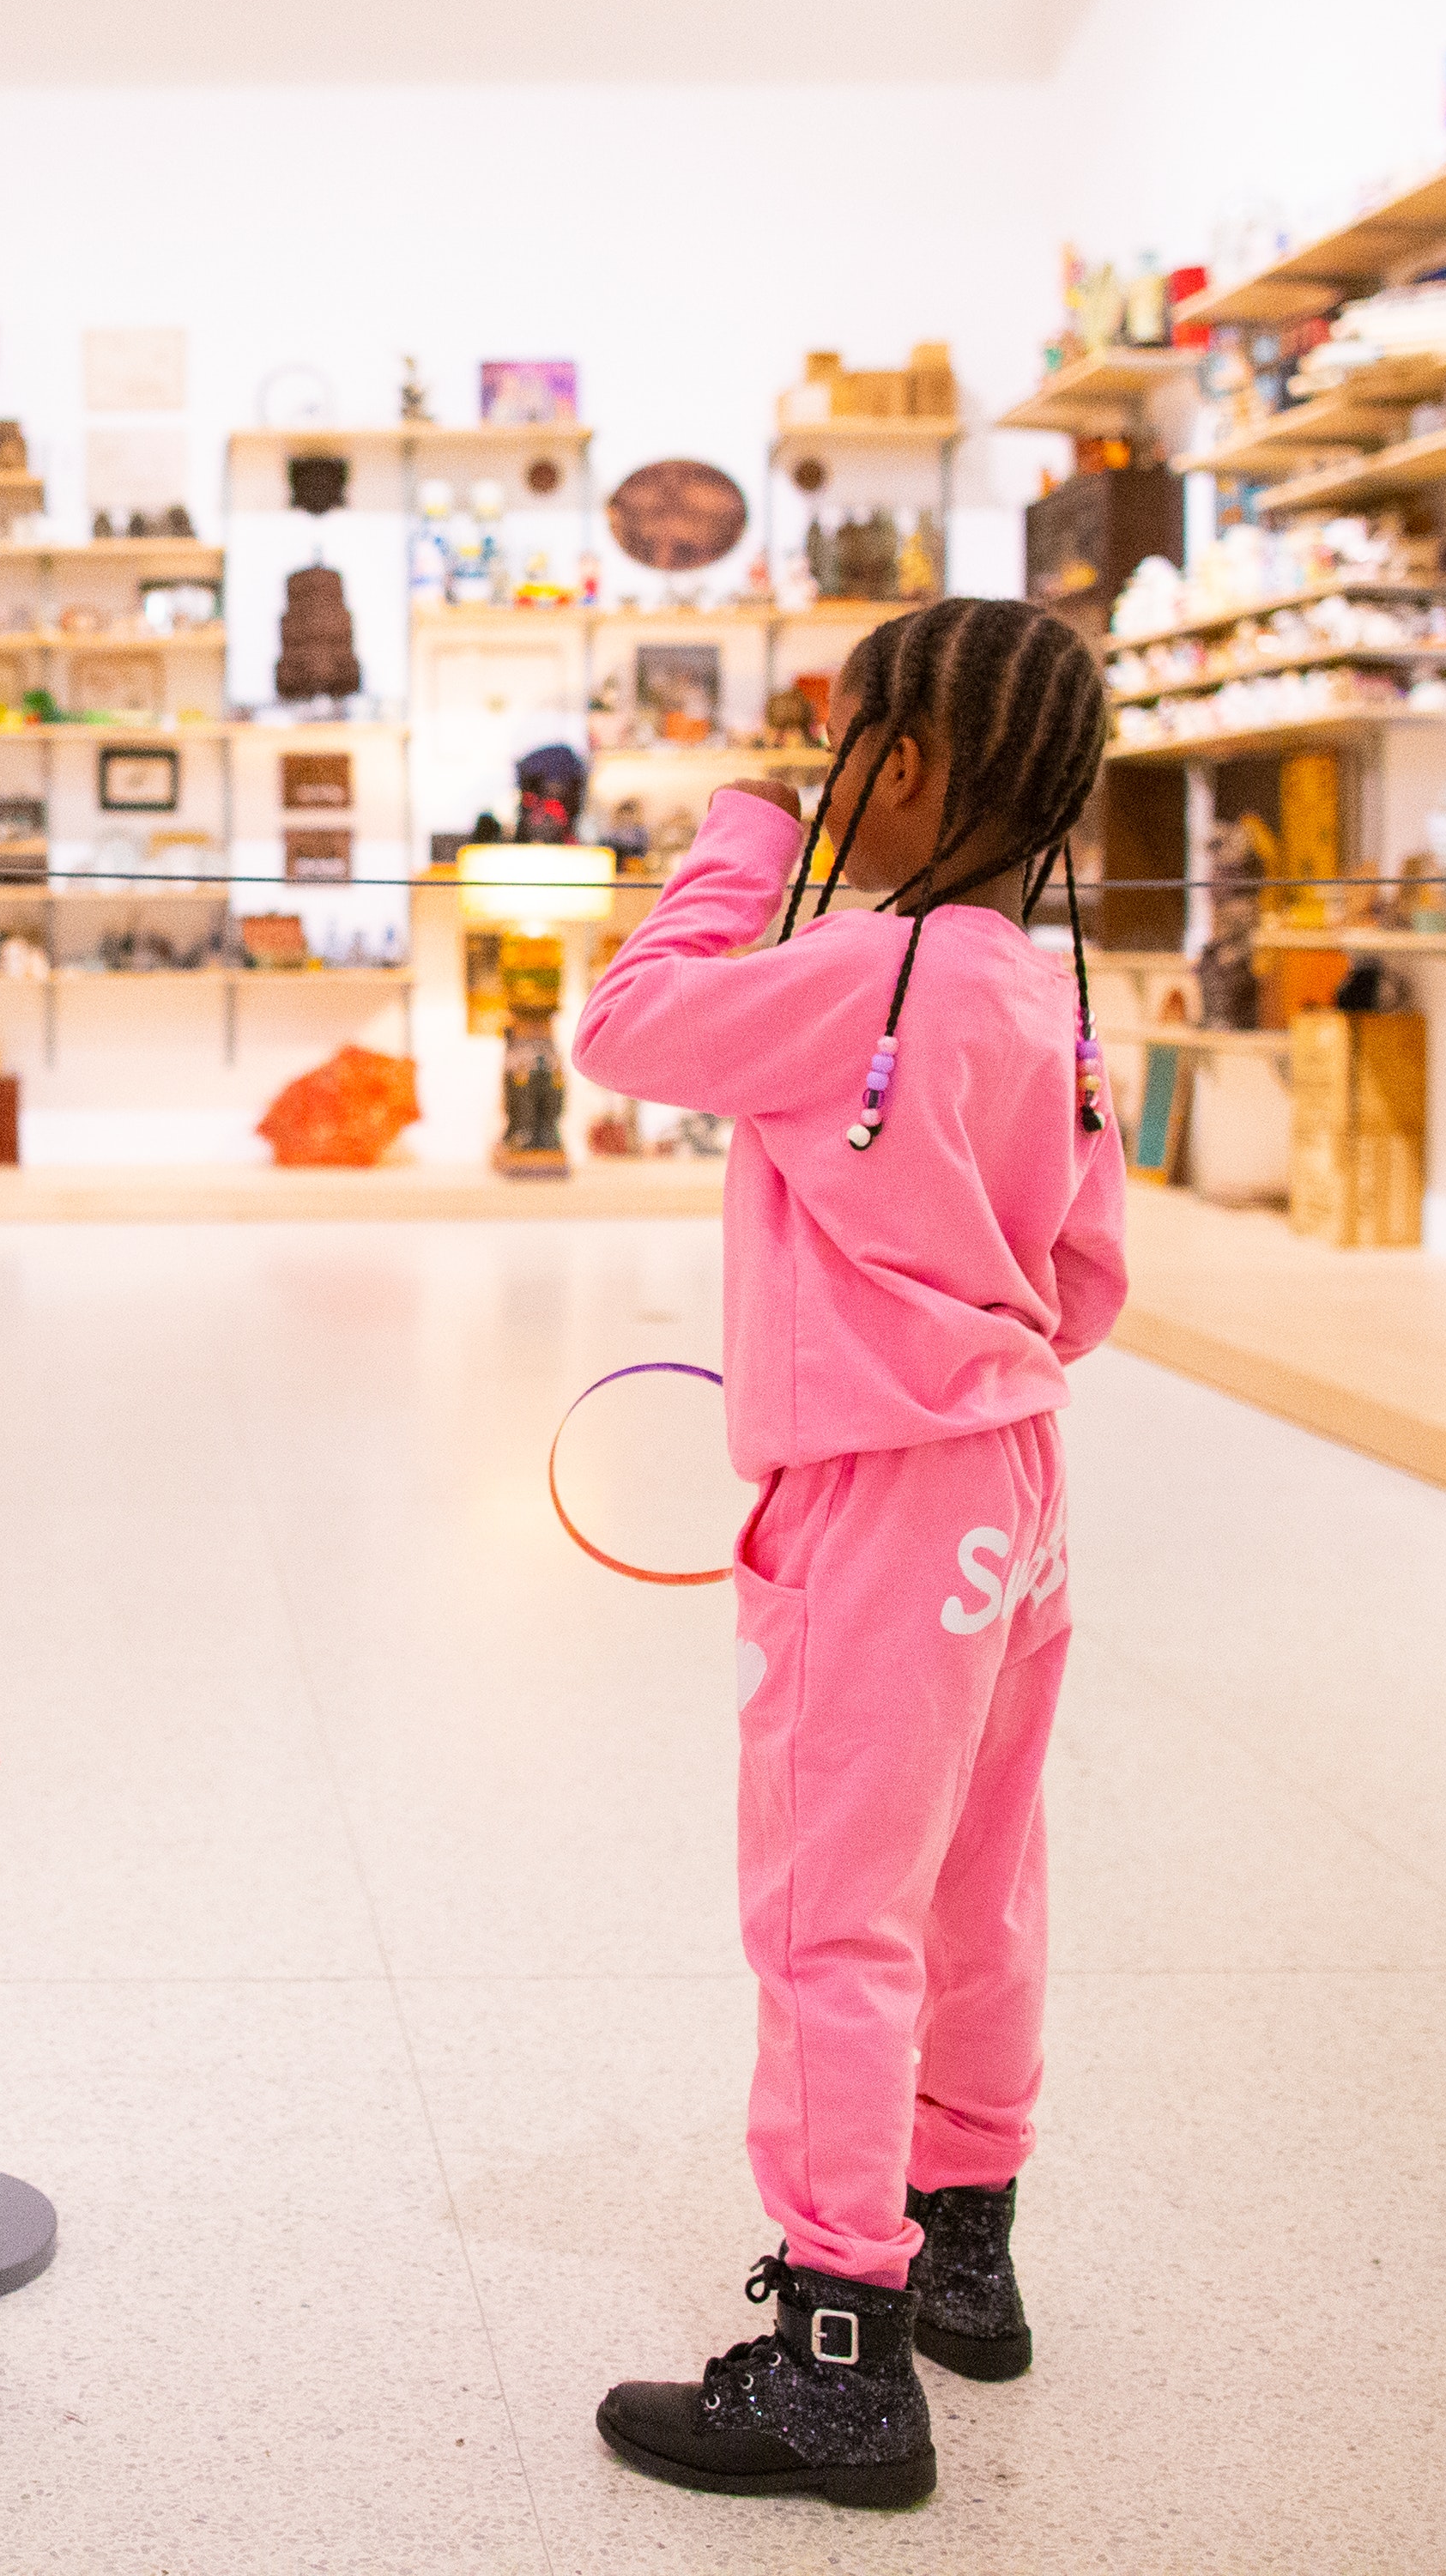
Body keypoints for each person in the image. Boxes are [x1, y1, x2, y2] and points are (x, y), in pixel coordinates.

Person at [567, 594, 1128, 2513]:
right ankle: (968, 2241)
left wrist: (735, 844)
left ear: (893, 768)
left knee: (830, 1911)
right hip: (1015, 1480)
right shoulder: (1041, 982)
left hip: (882, 1492)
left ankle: (835, 2350)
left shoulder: (865, 970)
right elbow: (1090, 1273)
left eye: (837, 750)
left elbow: (628, 1024)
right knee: (981, 1880)